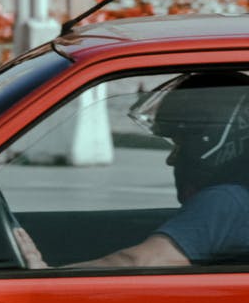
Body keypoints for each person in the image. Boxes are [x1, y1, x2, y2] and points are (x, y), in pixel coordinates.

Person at [17, 71, 249, 269]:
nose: (171, 160)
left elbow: (139, 262)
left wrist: (45, 274)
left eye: (180, 143)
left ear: (218, 140)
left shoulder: (225, 202)